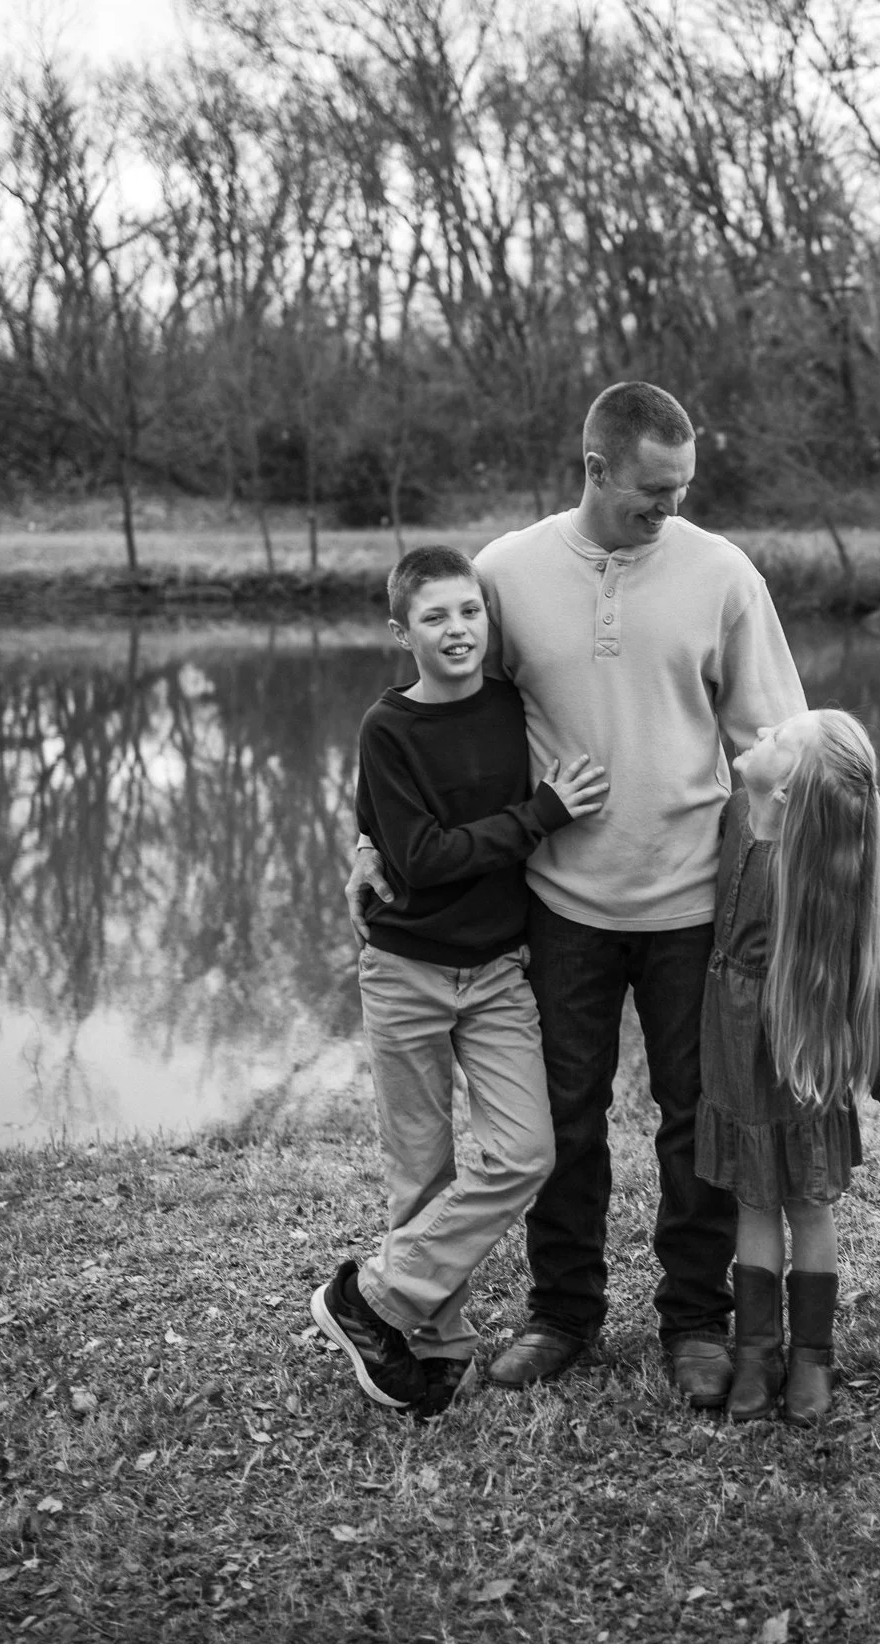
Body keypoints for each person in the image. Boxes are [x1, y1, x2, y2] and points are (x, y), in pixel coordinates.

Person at [347, 384, 806, 1408]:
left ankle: (695, 1318)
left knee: (695, 1116)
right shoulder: (507, 573)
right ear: (596, 468)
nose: (671, 507)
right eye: (654, 490)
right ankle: (563, 1312)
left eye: (683, 487)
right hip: (558, 905)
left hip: (694, 901)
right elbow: (434, 709)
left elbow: (780, 742)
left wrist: (798, 879)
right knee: (565, 1117)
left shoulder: (722, 573)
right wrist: (373, 836)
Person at [312, 545, 607, 1417]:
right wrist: (541, 815)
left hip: (498, 972)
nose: (457, 630)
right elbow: (421, 857)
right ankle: (435, 1349)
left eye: (469, 611)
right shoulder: (388, 728)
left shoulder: (513, 705)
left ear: (488, 619)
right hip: (405, 970)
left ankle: (371, 1297)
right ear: (400, 632)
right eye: (434, 616)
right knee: (421, 1170)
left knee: (526, 1152)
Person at [696, 708, 880, 1424]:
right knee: (753, 1200)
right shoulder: (736, 814)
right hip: (733, 1051)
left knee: (807, 1204)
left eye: (778, 739)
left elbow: (865, 975)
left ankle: (812, 1356)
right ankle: (756, 1352)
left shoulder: (818, 869)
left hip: (802, 1058)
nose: (762, 732)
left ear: (789, 790)